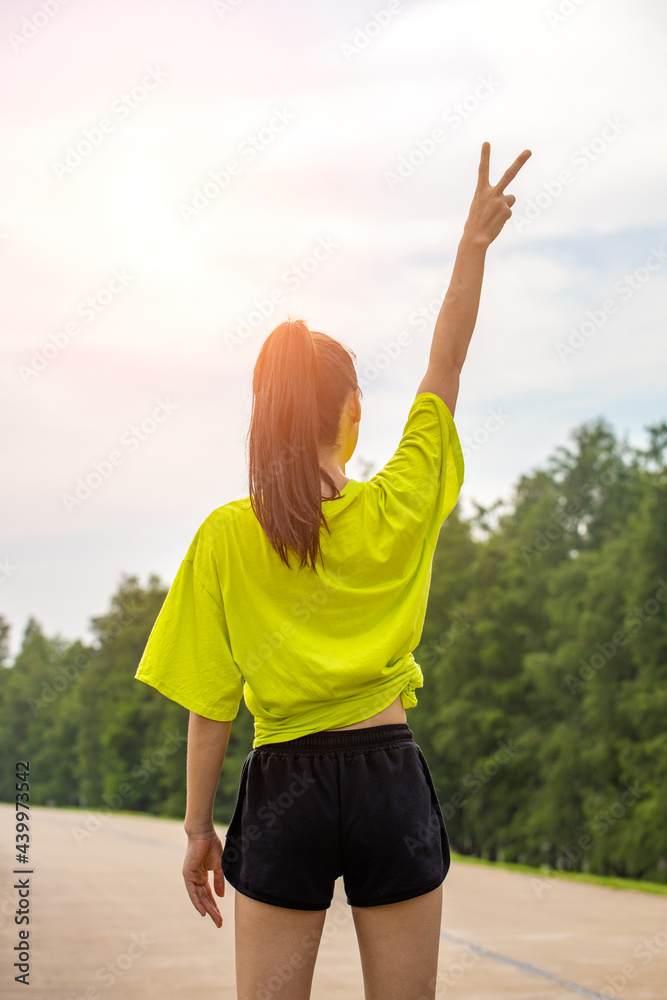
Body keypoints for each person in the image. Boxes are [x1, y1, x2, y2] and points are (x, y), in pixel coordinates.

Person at [134, 140, 531, 1000]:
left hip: (282, 790)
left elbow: (210, 711)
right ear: (350, 414)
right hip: (388, 776)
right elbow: (446, 365)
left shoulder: (225, 536)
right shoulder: (397, 503)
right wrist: (471, 248)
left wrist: (198, 831)